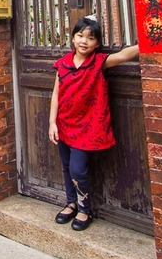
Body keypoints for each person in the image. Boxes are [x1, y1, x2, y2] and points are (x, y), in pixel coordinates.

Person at [48, 16, 139, 231]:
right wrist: (52, 122)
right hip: (64, 123)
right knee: (67, 166)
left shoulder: (99, 62)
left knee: (78, 170)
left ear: (97, 44)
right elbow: (56, 94)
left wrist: (151, 39)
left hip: (87, 126)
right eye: (80, 36)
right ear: (72, 38)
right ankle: (70, 203)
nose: (84, 41)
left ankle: (84, 209)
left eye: (90, 38)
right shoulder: (62, 64)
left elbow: (125, 55)